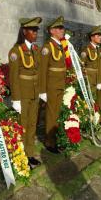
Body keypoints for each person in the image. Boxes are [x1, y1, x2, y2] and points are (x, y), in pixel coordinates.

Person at [8, 17, 42, 168]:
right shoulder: (16, 51)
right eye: (32, 30)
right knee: (23, 125)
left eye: (36, 30)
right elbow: (13, 76)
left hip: (34, 92)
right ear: (24, 31)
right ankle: (21, 156)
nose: (35, 33)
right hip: (23, 93)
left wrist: (41, 90)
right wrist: (15, 99)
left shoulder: (36, 49)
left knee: (33, 124)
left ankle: (30, 154)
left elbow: (39, 71)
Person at [39, 16, 66, 154]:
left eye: (62, 28)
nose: (62, 30)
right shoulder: (47, 47)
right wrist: (42, 90)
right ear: (52, 31)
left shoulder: (60, 46)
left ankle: (54, 139)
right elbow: (43, 70)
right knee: (51, 114)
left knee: (56, 114)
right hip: (51, 86)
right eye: (59, 28)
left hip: (59, 84)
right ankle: (49, 142)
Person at [81, 25, 101, 125]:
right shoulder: (86, 49)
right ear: (92, 37)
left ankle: (97, 119)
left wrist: (99, 80)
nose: (100, 37)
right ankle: (88, 122)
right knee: (90, 101)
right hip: (90, 80)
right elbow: (82, 65)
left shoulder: (98, 50)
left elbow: (99, 66)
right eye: (98, 36)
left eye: (100, 36)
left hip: (98, 79)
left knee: (98, 101)